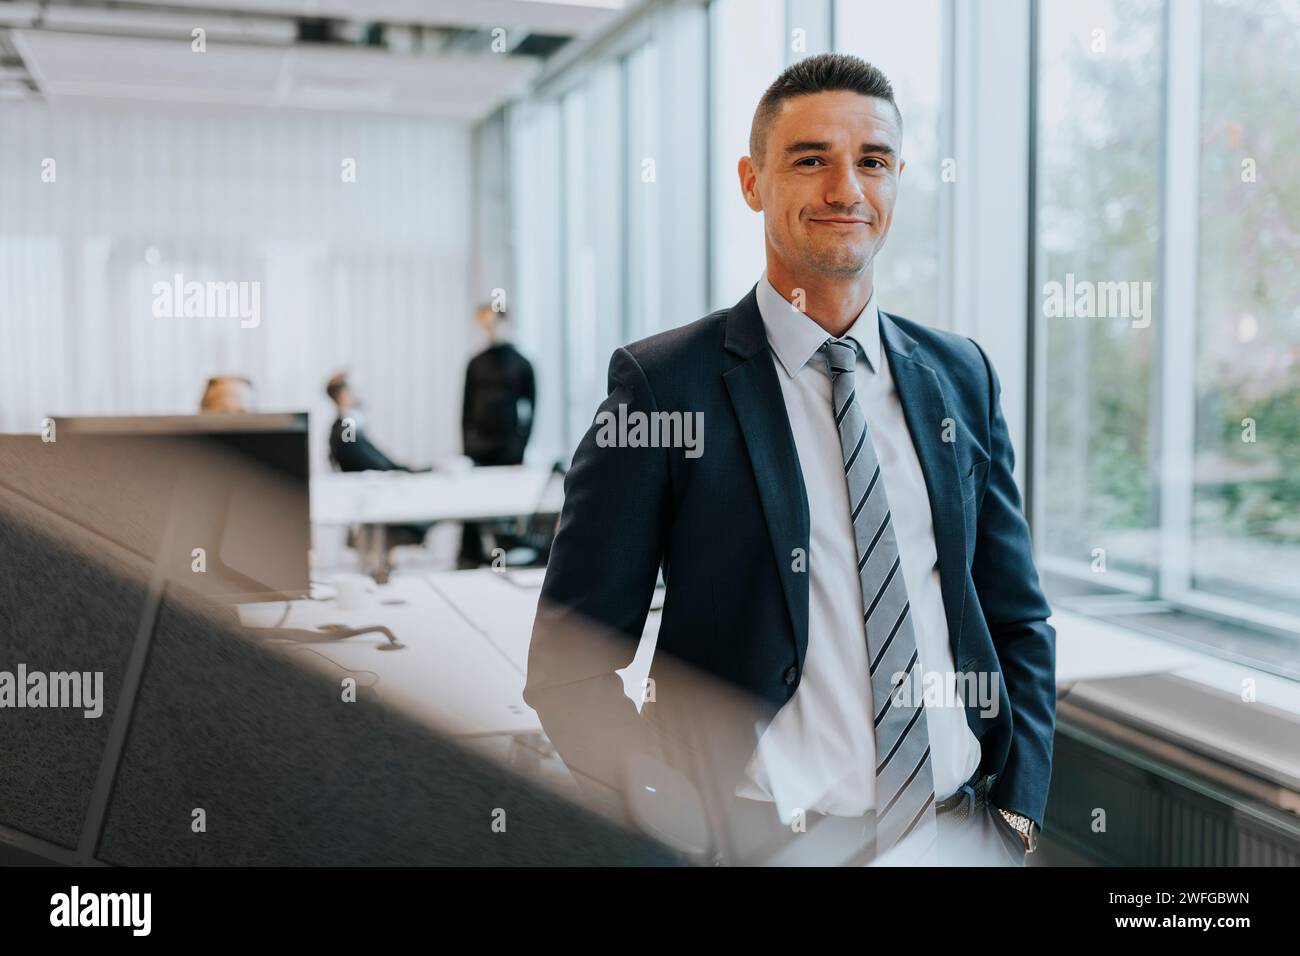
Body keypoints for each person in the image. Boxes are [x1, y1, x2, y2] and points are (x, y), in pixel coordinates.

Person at [525, 53, 1055, 866]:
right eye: (811, 160)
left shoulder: (959, 378)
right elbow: (570, 666)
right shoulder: (665, 387)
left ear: (897, 179)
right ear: (751, 180)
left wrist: (1015, 817)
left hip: (959, 834)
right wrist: (677, 828)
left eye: (872, 161)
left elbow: (1016, 617)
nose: (846, 189)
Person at [325, 372, 431, 570]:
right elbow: (361, 457)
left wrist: (407, 470)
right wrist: (402, 472)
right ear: (343, 395)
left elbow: (376, 458)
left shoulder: (349, 425)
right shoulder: (346, 428)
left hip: (376, 493)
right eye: (352, 390)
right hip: (372, 497)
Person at [458, 305, 537, 568]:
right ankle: (469, 558)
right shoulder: (476, 363)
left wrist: (521, 450)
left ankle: (503, 558)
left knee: (505, 508)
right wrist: (467, 449)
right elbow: (465, 409)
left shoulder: (522, 363)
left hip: (508, 449)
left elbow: (531, 410)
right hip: (479, 447)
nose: (490, 330)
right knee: (473, 507)